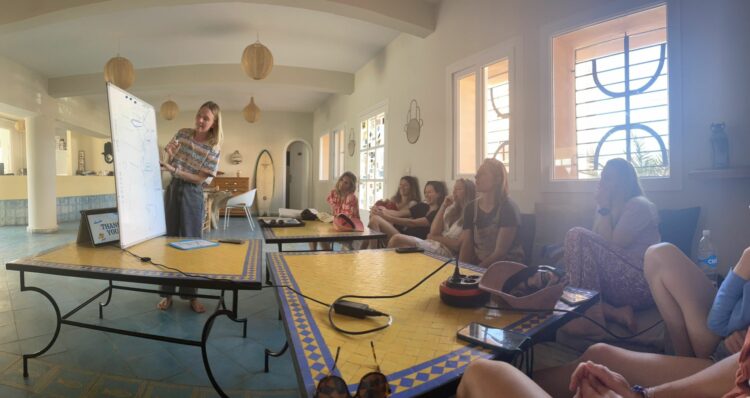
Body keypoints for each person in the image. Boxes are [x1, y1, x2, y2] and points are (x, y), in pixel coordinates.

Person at [563, 158, 660, 336]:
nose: (601, 182)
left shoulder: (639, 205)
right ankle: (616, 313)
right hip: (615, 283)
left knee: (576, 234)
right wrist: (603, 208)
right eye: (602, 177)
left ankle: (589, 319)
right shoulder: (606, 209)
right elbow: (593, 253)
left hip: (641, 283)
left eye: (608, 178)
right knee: (556, 280)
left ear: (623, 182)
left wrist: (604, 207)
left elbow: (613, 246)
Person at [157, 101, 223, 313]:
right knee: (169, 243)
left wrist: (174, 169)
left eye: (206, 118)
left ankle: (191, 296)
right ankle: (167, 294)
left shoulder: (213, 147)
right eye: (199, 115)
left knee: (191, 245)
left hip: (192, 193)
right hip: (173, 188)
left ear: (214, 123)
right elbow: (170, 160)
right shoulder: (183, 133)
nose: (200, 121)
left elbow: (198, 178)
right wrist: (169, 153)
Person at [644, 243, 750, 359]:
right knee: (659, 253)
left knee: (622, 360)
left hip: (725, 344)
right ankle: (682, 358)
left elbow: (717, 324)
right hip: (728, 326)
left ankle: (684, 363)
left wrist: (744, 263)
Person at [458, 158, 524, 267]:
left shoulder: (508, 208)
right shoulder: (470, 208)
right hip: (481, 263)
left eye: (482, 174)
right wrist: (462, 270)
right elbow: (467, 244)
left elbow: (500, 253)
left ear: (497, 179)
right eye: (477, 173)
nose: (476, 176)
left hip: (507, 265)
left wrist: (476, 272)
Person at [388, 178, 476, 257]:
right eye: (454, 189)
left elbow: (457, 245)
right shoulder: (450, 209)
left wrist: (435, 237)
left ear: (468, 193)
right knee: (399, 246)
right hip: (432, 244)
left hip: (446, 251)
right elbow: (433, 231)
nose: (454, 192)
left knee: (397, 239)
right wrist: (444, 206)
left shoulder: (469, 215)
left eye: (459, 189)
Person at [369, 180, 447, 243]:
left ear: (439, 194)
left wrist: (385, 216)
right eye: (425, 192)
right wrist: (381, 210)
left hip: (413, 241)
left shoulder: (438, 213)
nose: (426, 195)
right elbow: (398, 214)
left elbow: (412, 223)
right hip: (402, 234)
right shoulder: (422, 206)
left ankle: (373, 253)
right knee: (374, 218)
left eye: (429, 192)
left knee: (376, 219)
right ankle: (370, 252)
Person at [361, 176, 421, 249]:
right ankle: (364, 250)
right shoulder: (395, 200)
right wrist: (377, 209)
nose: (402, 187)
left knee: (375, 219)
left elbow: (398, 215)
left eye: (405, 185)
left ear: (412, 188)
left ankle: (370, 251)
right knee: (373, 219)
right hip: (392, 228)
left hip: (401, 233)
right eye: (401, 185)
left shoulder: (412, 203)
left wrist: (382, 210)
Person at [311, 171, 360, 250]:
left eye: (346, 183)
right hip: (337, 224)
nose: (342, 183)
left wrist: (334, 219)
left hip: (350, 228)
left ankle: (331, 254)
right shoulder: (334, 193)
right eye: (342, 180)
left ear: (351, 186)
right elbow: (334, 211)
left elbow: (347, 218)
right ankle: (318, 253)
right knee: (317, 232)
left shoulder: (351, 198)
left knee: (345, 256)